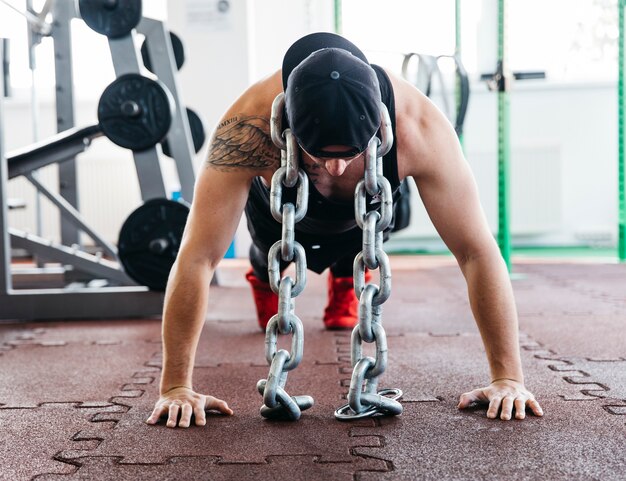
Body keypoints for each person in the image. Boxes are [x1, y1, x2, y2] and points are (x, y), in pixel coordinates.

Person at [146, 32, 544, 428]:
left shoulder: (418, 127)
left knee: (370, 234)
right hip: (279, 213)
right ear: (285, 123)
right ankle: (263, 277)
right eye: (320, 154)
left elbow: (476, 251)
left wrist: (508, 378)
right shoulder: (245, 129)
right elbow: (198, 256)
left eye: (349, 154)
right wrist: (176, 386)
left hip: (363, 213)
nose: (336, 169)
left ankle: (344, 276)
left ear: (381, 126)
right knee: (270, 261)